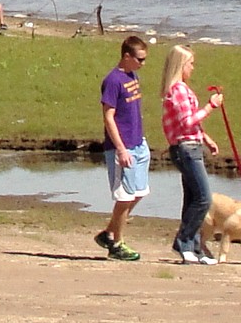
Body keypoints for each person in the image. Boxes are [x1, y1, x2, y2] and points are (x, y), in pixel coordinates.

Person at [161, 43, 223, 264]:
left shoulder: (182, 89)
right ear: (181, 65)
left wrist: (205, 138)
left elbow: (188, 123)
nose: (193, 68)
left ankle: (195, 247)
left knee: (193, 199)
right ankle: (184, 241)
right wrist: (210, 106)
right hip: (185, 149)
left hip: (192, 146)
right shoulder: (178, 90)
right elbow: (187, 121)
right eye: (190, 64)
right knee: (203, 198)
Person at [94, 34, 153, 261]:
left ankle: (109, 232)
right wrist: (120, 148)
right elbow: (108, 117)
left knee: (139, 192)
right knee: (125, 197)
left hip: (138, 143)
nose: (143, 64)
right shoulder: (113, 81)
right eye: (140, 59)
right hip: (123, 147)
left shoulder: (132, 76)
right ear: (127, 56)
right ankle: (117, 244)